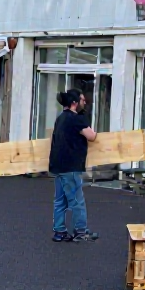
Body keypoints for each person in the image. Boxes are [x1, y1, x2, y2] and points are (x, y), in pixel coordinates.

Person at [49, 88, 99, 242]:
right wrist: (84, 118)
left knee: (60, 201)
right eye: (82, 100)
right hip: (71, 167)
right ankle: (80, 232)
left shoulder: (61, 118)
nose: (85, 102)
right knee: (77, 201)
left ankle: (59, 232)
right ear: (74, 103)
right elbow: (92, 136)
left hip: (58, 166)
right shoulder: (76, 119)